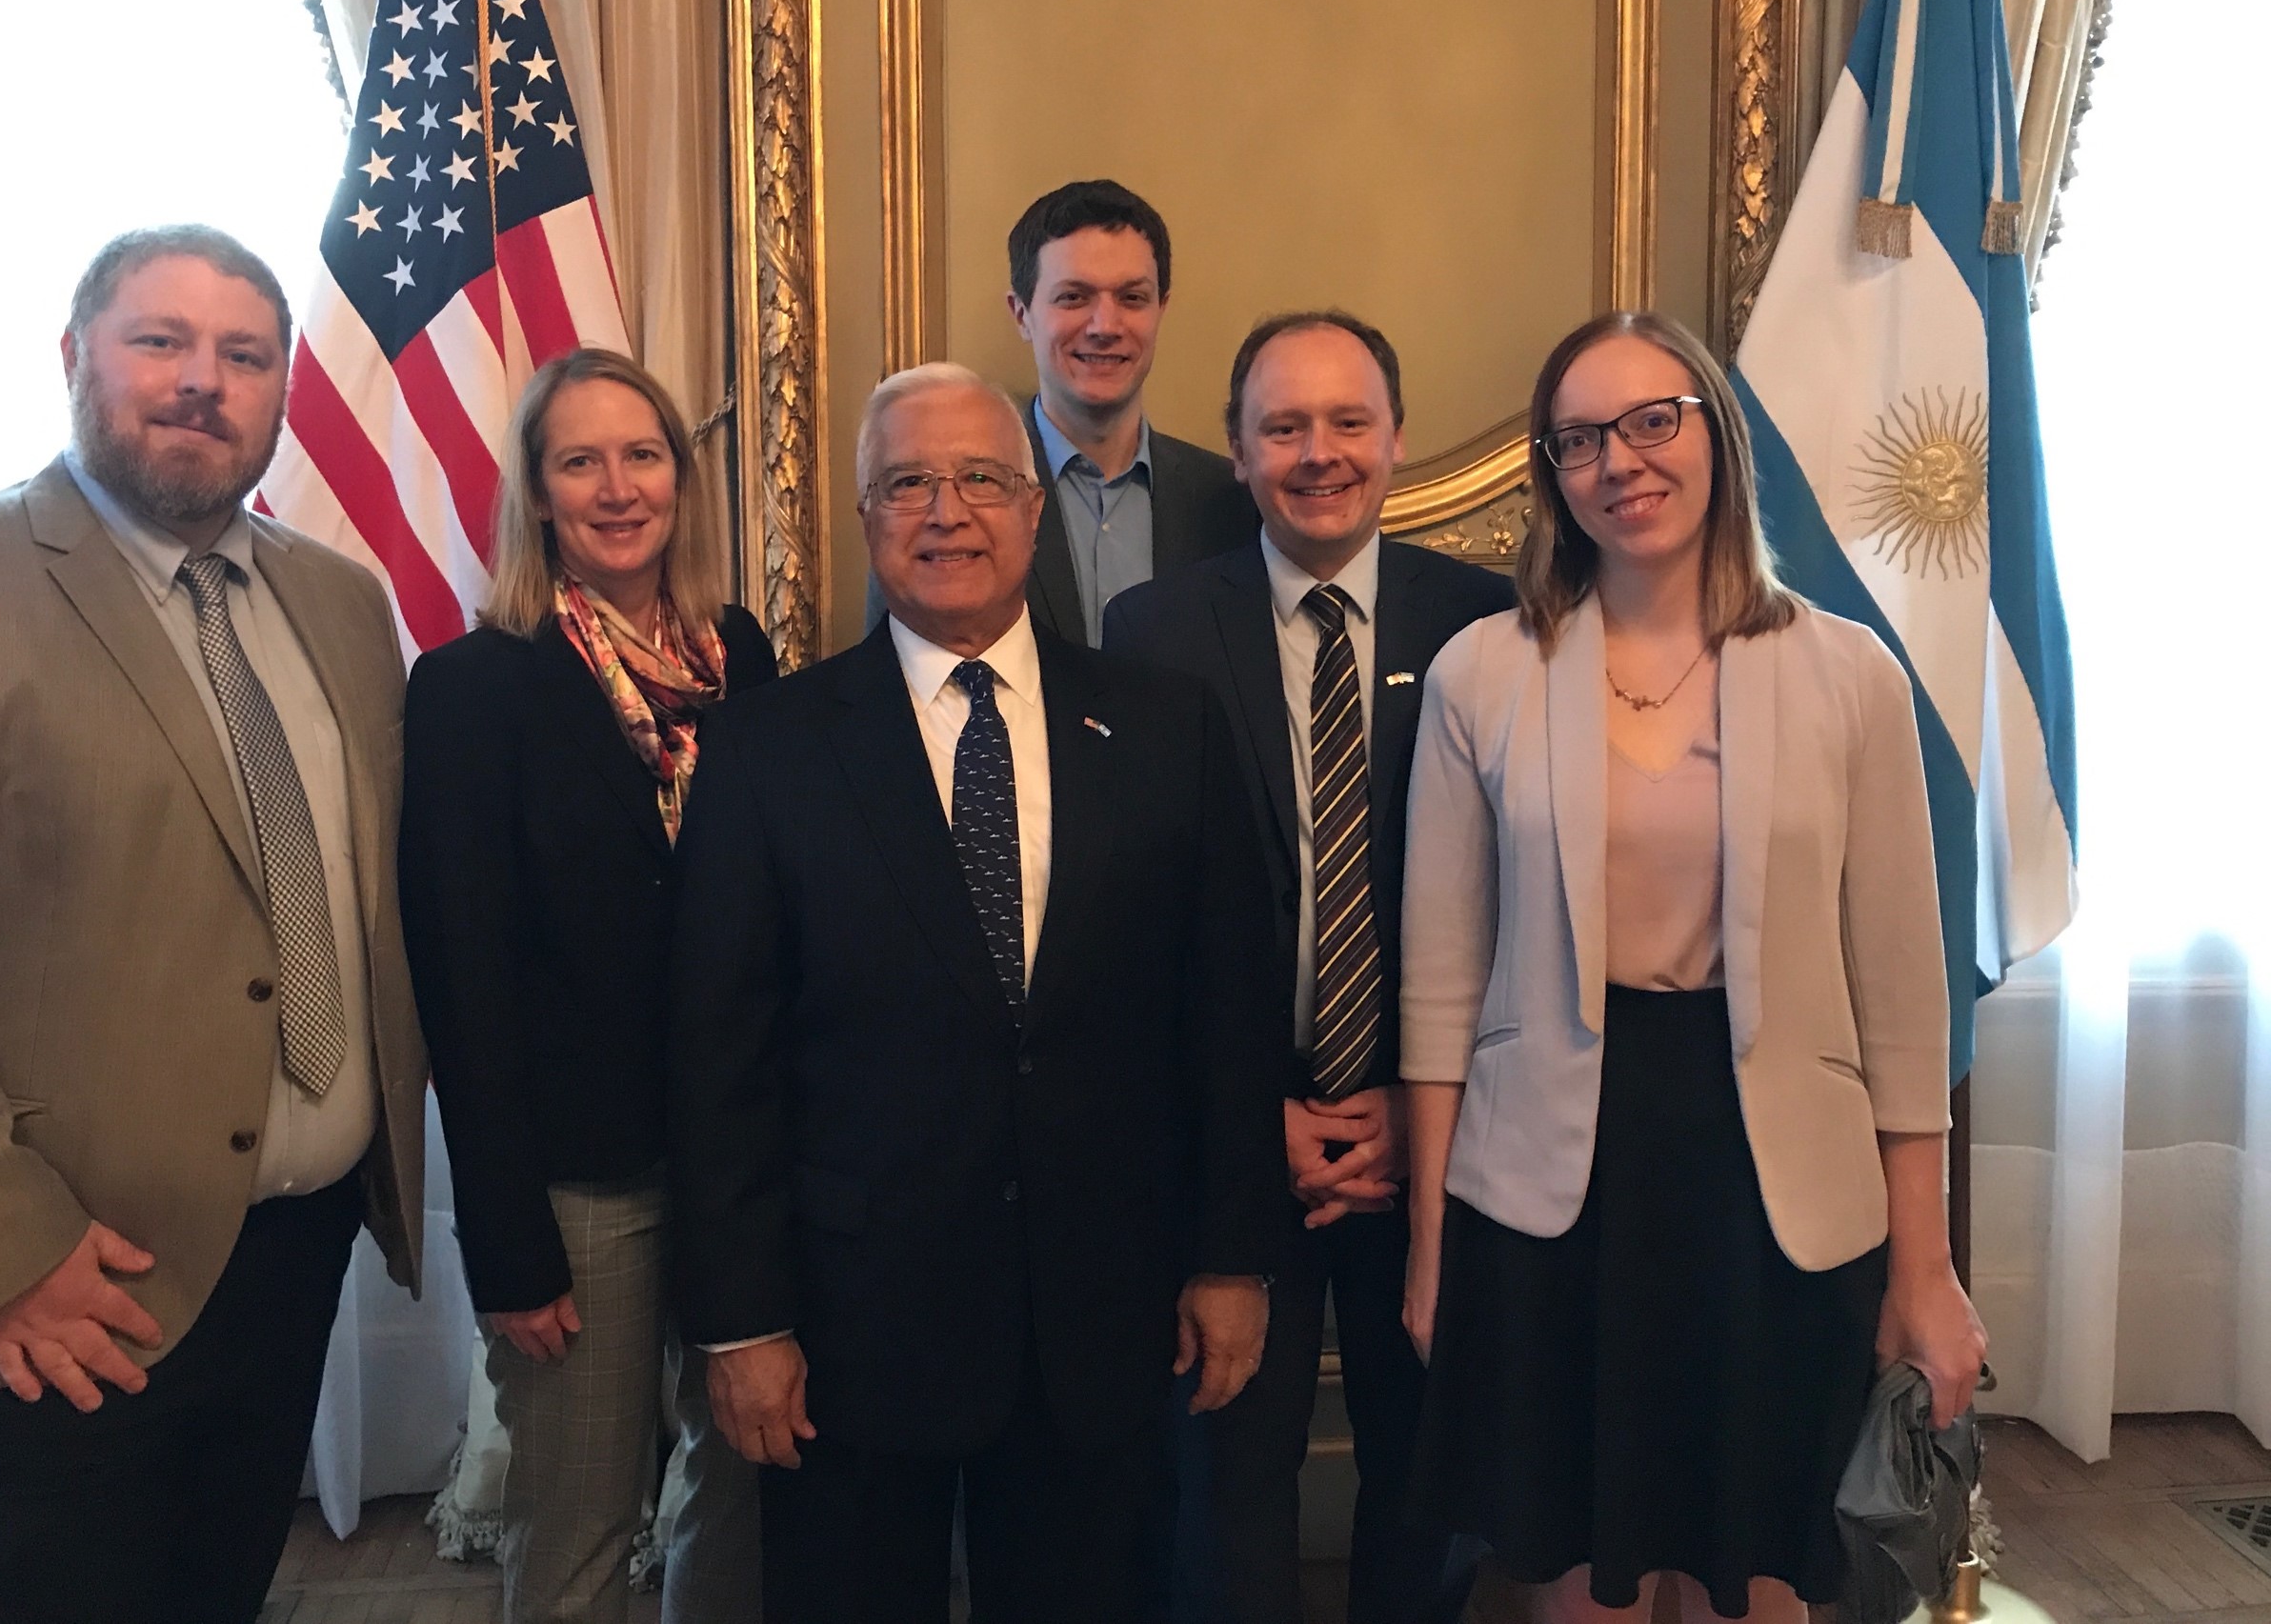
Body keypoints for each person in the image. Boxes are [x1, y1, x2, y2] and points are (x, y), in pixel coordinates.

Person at [0, 227, 431, 1622]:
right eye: (159, 342)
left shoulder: (342, 605)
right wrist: (8, 1256)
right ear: (74, 359)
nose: (203, 382)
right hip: (45, 1300)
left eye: (244, 356)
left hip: (279, 1266)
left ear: (282, 391)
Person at [668, 361, 1288, 1623]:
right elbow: (718, 1062)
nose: (946, 511)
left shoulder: (1168, 725)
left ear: (1032, 509)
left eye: (981, 481)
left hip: (1101, 1317)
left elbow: (1223, 1019)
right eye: (907, 484)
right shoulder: (765, 748)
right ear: (864, 519)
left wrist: (1234, 1258)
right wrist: (741, 1323)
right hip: (849, 1331)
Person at [1397, 311, 1989, 1624]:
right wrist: (1435, 1247)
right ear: (1556, 475)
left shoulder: (1848, 676)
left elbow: (1902, 997)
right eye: (1581, 439)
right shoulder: (1482, 675)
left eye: (1651, 420)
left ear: (1712, 433)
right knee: (1579, 1562)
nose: (1621, 461)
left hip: (1773, 1179)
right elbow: (1439, 993)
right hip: (1552, 1177)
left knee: (1756, 1562)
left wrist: (1925, 1263)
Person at [1105, 311, 1511, 1624]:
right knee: (1227, 1498)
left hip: (1431, 1141)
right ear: (1236, 450)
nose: (1317, 453)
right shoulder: (1152, 629)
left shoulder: (1488, 625)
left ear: (1396, 441)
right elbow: (1134, 915)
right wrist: (1249, 1119)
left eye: (1347, 422)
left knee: (1429, 1490)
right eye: (1284, 426)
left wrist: (1419, 1107)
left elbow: (1524, 902)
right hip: (1238, 1144)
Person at [400, 351, 774, 1624]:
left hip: (740, 1165)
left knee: (738, 1498)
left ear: (681, 475)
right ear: (539, 494)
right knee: (577, 1528)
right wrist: (504, 1240)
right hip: (579, 1190)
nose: (618, 488)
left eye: (644, 454)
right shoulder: (472, 688)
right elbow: (463, 982)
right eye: (581, 461)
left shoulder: (740, 660)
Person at [867, 180, 1255, 647]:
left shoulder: (1230, 502)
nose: (1105, 327)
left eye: (1132, 298)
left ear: (1160, 309)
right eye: (1074, 297)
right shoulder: (938, 502)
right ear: (1021, 313)